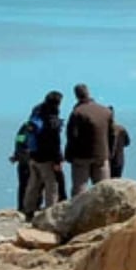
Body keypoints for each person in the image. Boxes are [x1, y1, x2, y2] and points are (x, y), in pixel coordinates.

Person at [23, 91, 65, 220]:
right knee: (51, 185)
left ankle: (28, 210)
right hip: (47, 158)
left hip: (33, 155)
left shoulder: (37, 110)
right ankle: (50, 213)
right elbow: (55, 142)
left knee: (33, 184)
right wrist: (58, 160)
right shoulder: (52, 119)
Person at [65, 84, 113, 194]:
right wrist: (109, 152)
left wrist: (69, 155)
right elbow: (112, 134)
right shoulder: (105, 111)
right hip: (102, 154)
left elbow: (71, 136)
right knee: (103, 187)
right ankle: (105, 210)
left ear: (76, 95)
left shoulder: (77, 112)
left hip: (81, 156)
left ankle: (78, 210)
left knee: (80, 187)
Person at [108, 107, 130, 180]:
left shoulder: (104, 131)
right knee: (117, 180)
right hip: (119, 159)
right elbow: (127, 142)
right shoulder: (121, 129)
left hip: (107, 161)